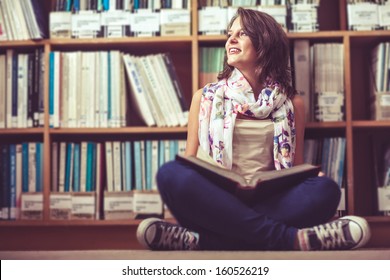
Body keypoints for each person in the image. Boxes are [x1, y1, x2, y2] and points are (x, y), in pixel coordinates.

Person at [136, 8, 371, 251]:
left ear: (265, 43)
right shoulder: (204, 97)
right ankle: (291, 239)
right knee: (172, 174)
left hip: (270, 199)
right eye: (229, 34)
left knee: (326, 190)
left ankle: (202, 240)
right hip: (217, 200)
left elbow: (296, 167)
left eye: (242, 33)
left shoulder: (292, 103)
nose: (231, 40)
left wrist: (310, 178)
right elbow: (191, 162)